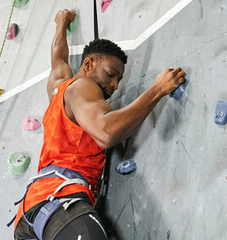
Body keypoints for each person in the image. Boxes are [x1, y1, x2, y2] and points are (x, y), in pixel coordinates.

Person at [11, 9, 186, 240]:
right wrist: (158, 90)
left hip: (29, 215)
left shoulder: (58, 88)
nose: (114, 85)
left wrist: (61, 23)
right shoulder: (84, 86)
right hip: (62, 202)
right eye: (111, 74)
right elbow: (106, 132)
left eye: (119, 80)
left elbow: (58, 57)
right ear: (88, 64)